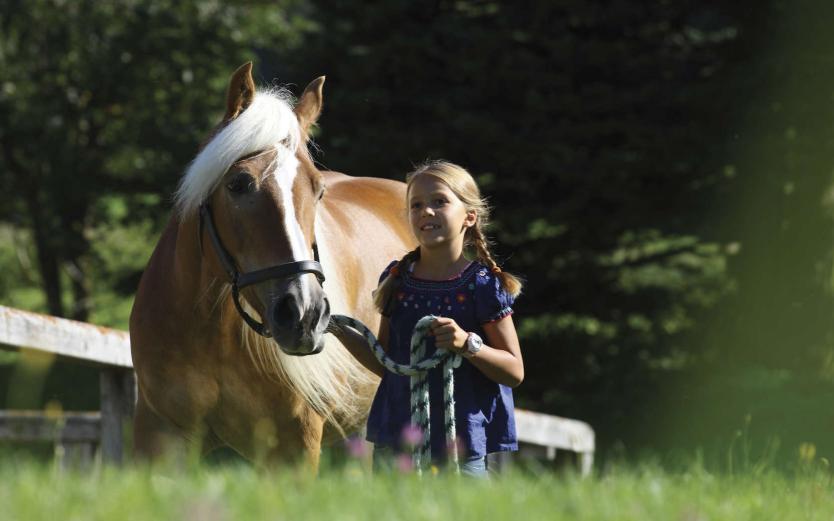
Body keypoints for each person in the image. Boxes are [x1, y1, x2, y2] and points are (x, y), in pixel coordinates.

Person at [333, 160, 524, 478]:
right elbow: (387, 362)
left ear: (469, 216)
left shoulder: (483, 286)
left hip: (461, 445)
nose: (426, 212)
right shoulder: (397, 280)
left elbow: (514, 371)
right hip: (398, 439)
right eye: (416, 205)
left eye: (440, 202)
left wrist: (467, 343)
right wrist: (336, 328)